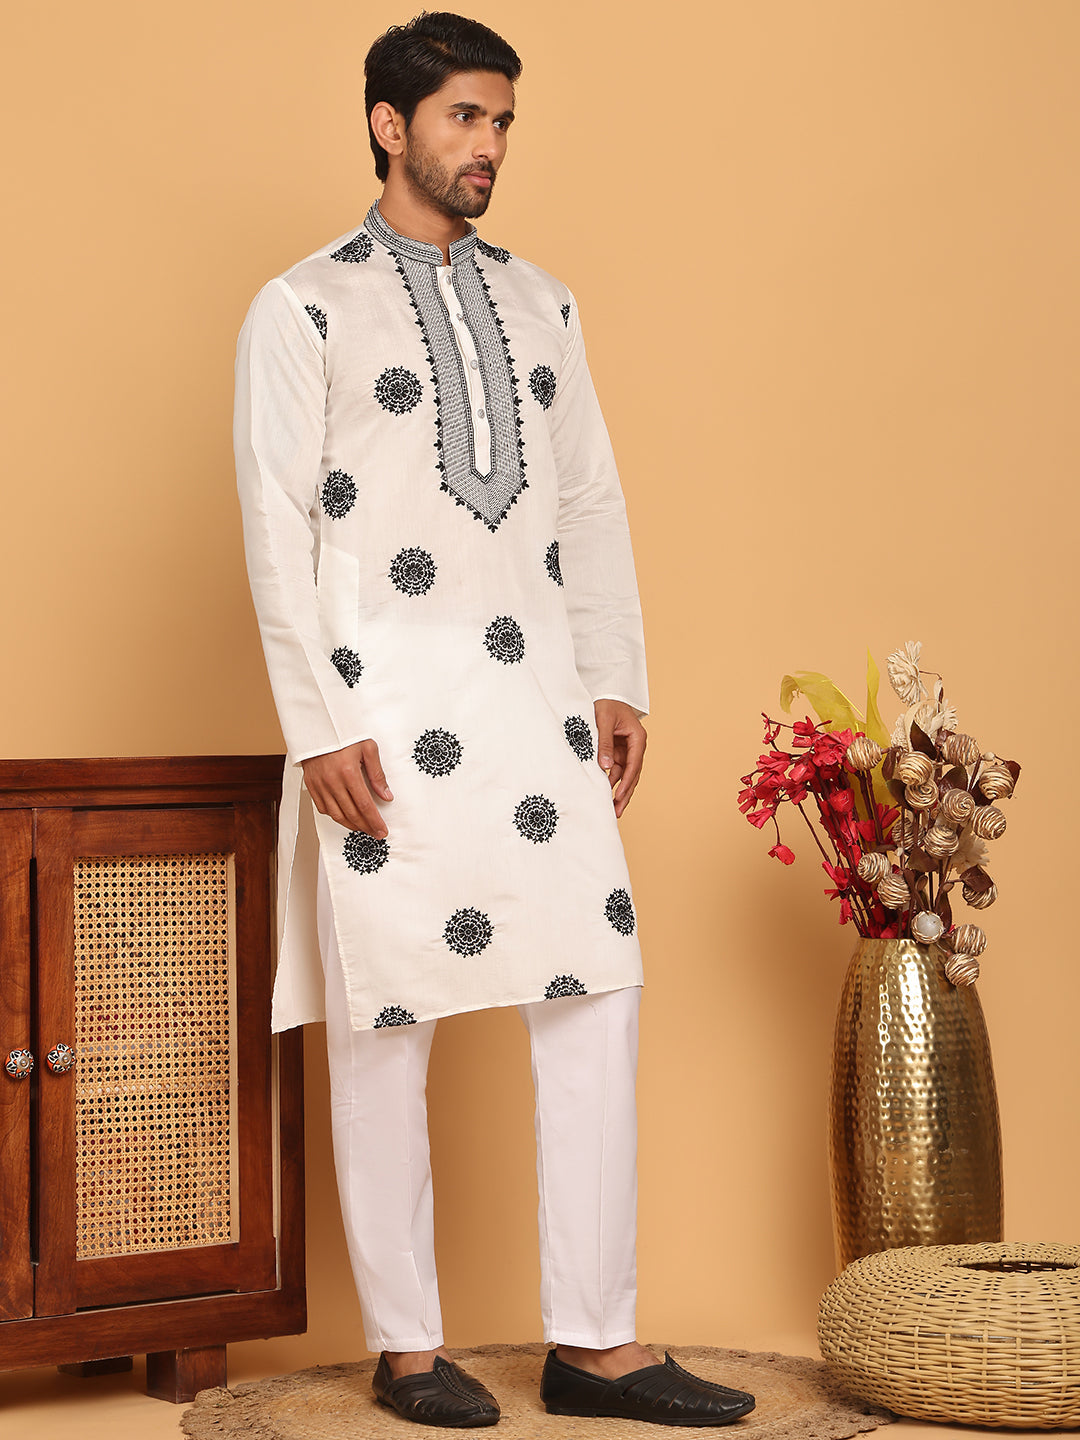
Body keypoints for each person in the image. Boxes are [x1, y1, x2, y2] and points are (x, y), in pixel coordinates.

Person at [234, 11, 754, 1428]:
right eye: (466, 116)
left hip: (535, 702)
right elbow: (277, 530)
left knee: (595, 989)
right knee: (386, 1016)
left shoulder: (543, 303)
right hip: (380, 712)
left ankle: (597, 1344)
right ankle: (409, 1350)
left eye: (504, 121)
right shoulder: (302, 309)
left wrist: (616, 675)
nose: (490, 146)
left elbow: (589, 498)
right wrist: (315, 723)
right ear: (389, 125)